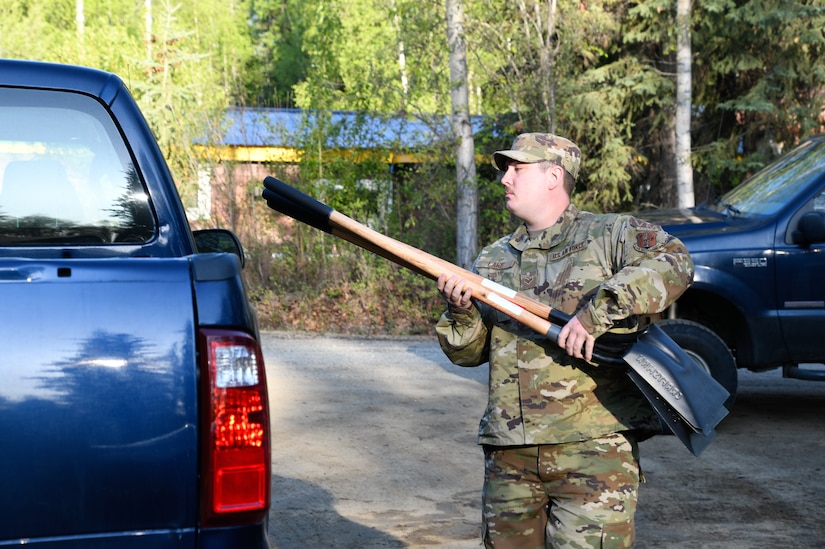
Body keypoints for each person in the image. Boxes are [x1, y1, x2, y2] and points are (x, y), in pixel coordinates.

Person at [435, 132, 694, 548]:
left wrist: (595, 315)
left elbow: (675, 261)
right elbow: (469, 353)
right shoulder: (494, 258)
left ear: (554, 176)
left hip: (592, 450)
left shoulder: (608, 236)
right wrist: (461, 311)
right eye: (506, 170)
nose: (505, 179)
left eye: (517, 169)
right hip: (510, 454)